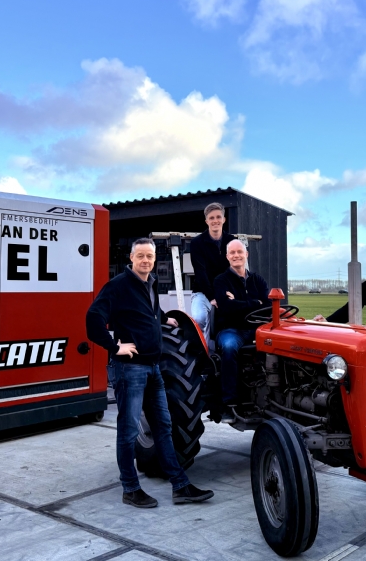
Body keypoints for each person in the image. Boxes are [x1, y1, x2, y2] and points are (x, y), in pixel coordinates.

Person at [86, 238, 214, 509]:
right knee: (129, 430)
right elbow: (93, 319)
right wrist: (114, 347)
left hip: (154, 368)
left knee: (164, 428)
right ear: (131, 258)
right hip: (130, 369)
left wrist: (163, 317)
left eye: (150, 256)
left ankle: (180, 486)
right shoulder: (118, 285)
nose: (146, 260)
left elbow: (147, 309)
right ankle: (130, 488)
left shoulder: (150, 283)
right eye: (141, 256)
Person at [212, 239, 269, 410]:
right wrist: (255, 302)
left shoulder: (257, 280)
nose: (236, 255)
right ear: (228, 257)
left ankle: (267, 394)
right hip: (231, 329)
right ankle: (230, 400)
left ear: (246, 255)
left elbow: (267, 306)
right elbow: (227, 308)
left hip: (255, 329)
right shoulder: (221, 280)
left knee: (275, 347)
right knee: (229, 347)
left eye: (240, 252)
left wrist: (238, 302)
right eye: (232, 253)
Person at [189, 203, 237, 343]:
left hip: (225, 290)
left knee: (234, 319)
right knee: (200, 318)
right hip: (203, 292)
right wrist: (212, 296)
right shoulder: (197, 243)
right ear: (207, 221)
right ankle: (203, 357)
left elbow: (236, 268)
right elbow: (200, 272)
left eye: (218, 217)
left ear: (224, 219)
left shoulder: (232, 241)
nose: (215, 220)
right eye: (211, 218)